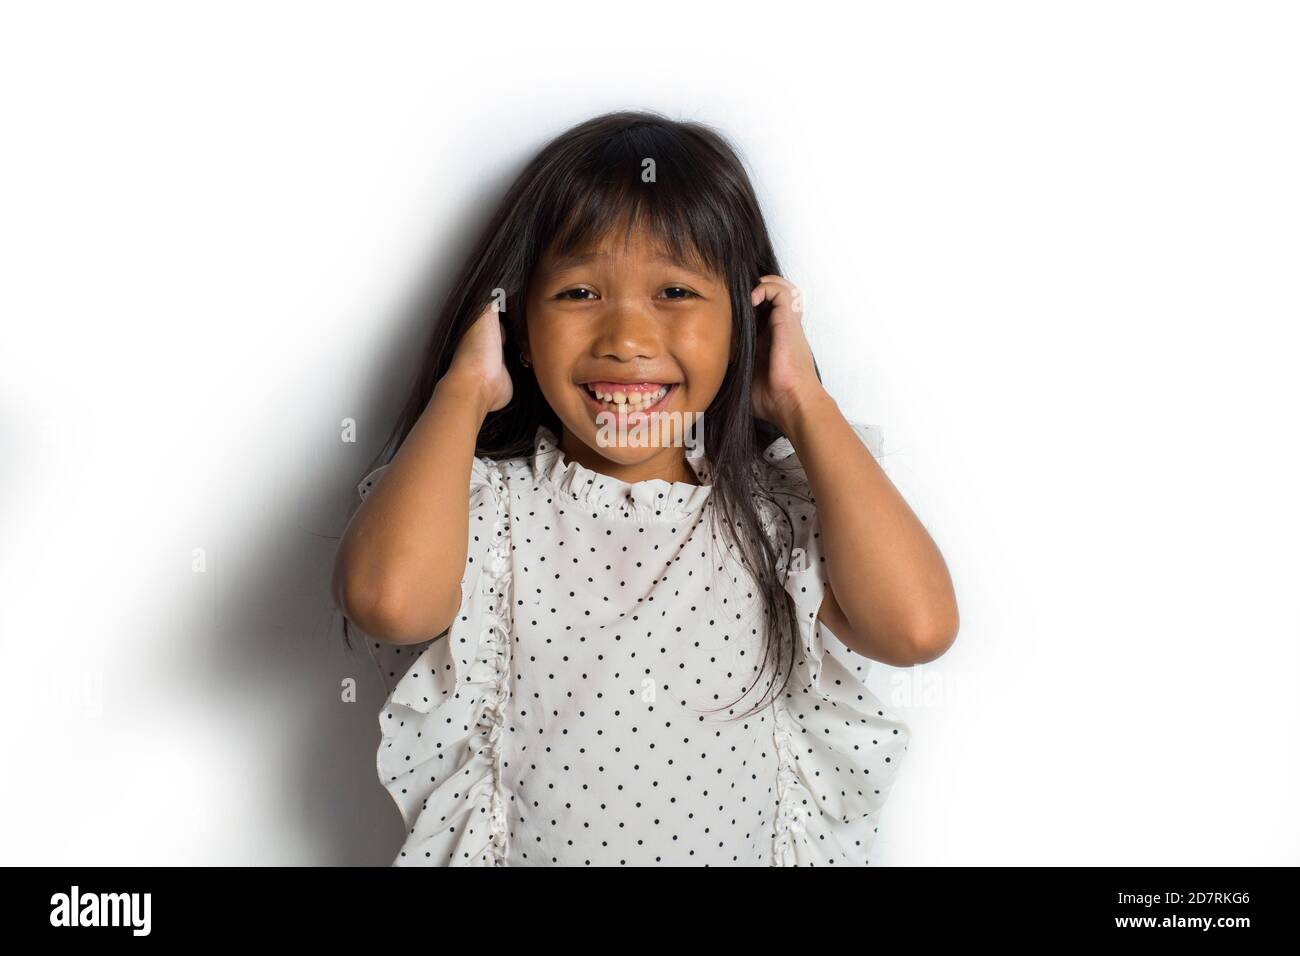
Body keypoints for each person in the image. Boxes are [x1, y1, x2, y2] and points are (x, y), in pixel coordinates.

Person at [333, 109, 959, 866]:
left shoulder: (777, 521)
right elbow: (387, 602)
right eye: (577, 294)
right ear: (517, 329)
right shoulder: (483, 509)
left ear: (746, 325)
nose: (626, 339)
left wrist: (802, 400)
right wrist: (465, 388)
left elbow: (917, 628)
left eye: (674, 292)